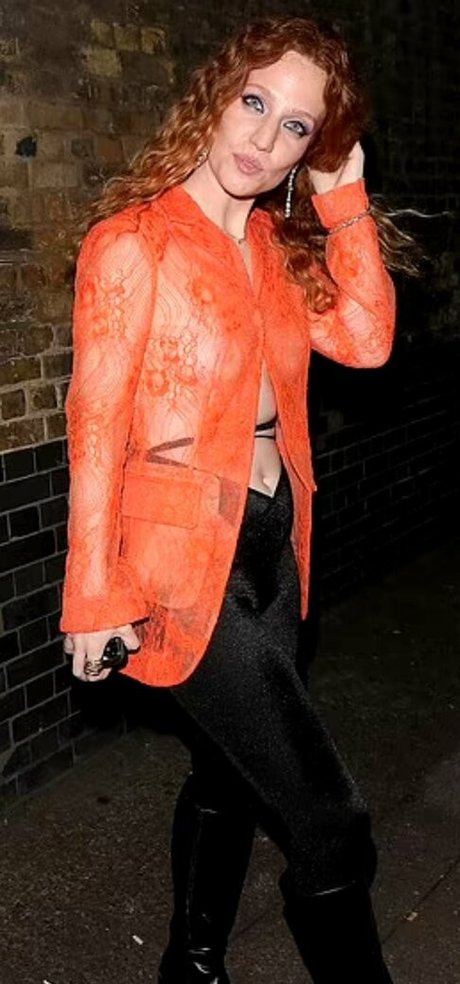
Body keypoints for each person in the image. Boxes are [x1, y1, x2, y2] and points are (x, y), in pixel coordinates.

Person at [59, 16, 413, 983]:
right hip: (179, 562)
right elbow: (95, 419)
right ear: (214, 98)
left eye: (295, 126)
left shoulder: (274, 249)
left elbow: (369, 341)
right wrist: (93, 594)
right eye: (253, 102)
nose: (263, 137)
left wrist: (345, 201)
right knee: (330, 823)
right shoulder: (133, 242)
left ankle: (193, 963)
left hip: (274, 544)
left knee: (228, 770)